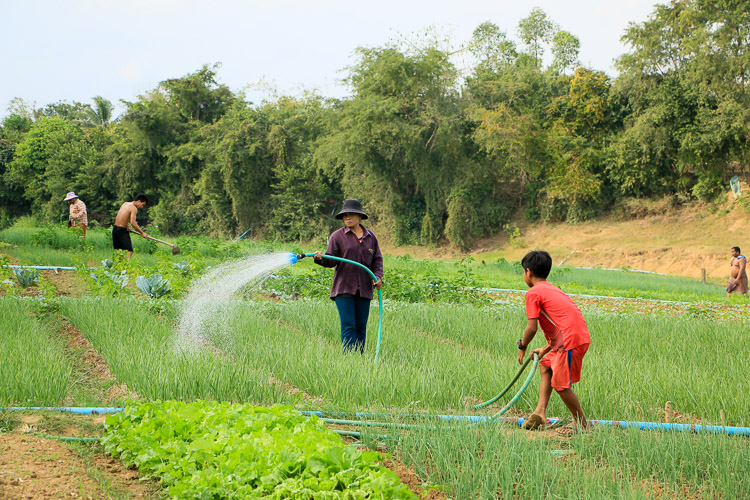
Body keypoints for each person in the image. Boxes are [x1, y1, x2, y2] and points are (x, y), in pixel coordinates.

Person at [516, 250, 591, 435]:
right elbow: (561, 323)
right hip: (572, 337)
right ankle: (540, 412)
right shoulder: (552, 289)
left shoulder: (533, 293)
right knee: (546, 365)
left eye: (523, 272)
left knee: (561, 385)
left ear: (528, 272)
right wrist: (545, 348)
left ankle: (582, 424)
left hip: (570, 341)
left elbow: (531, 328)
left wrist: (522, 347)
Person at [314, 199, 383, 353]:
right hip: (344, 289)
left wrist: (378, 277)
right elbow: (331, 260)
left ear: (360, 216)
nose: (347, 218)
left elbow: (377, 260)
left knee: (360, 326)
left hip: (364, 289)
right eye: (345, 215)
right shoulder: (337, 236)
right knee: (349, 325)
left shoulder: (371, 237)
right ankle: (349, 358)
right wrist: (320, 258)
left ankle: (359, 358)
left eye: (351, 215)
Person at [113, 194, 149, 259]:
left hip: (115, 229)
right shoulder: (134, 208)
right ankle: (125, 266)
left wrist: (127, 226)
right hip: (122, 230)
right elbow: (133, 222)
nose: (142, 207)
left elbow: (121, 217)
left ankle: (118, 267)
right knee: (130, 251)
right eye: (142, 205)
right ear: (138, 201)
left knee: (119, 251)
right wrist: (142, 233)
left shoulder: (125, 203)